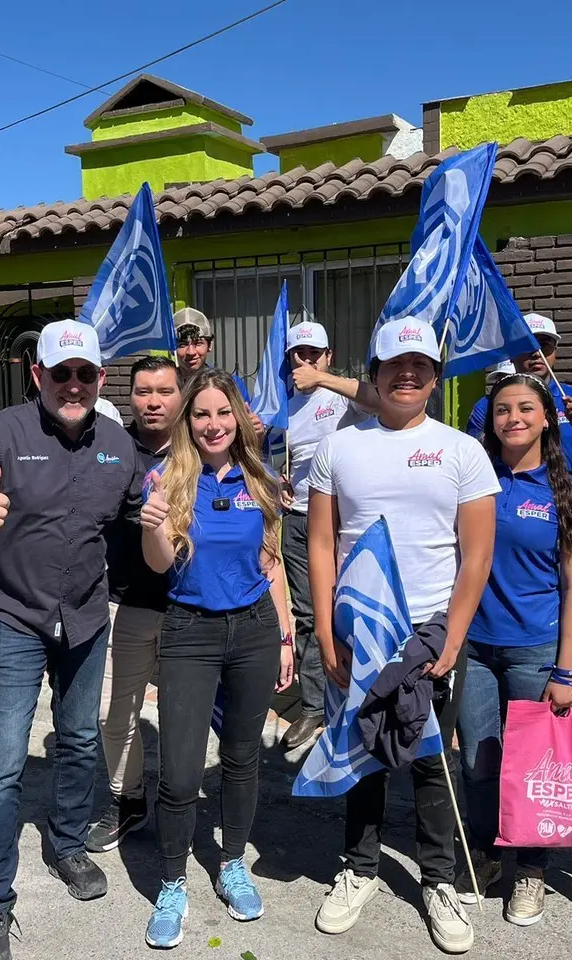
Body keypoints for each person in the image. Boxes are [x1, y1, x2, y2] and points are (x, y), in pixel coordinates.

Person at [0, 321, 143, 960]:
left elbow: (136, 519)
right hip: (14, 618)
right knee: (1, 761)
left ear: (101, 379)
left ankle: (69, 843)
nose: (72, 385)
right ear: (37, 375)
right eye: (60, 373)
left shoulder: (118, 444)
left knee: (79, 741)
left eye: (84, 374)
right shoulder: (2, 431)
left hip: (84, 619)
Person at [307, 319, 499, 955]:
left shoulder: (462, 451)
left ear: (436, 377)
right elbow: (320, 545)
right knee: (362, 751)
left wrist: (454, 638)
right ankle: (358, 868)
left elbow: (475, 558)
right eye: (396, 364)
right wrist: (329, 636)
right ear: (375, 371)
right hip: (359, 627)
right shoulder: (339, 447)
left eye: (421, 365)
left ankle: (438, 879)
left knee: (428, 758)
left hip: (430, 630)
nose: (408, 374)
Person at [138, 368, 295, 949]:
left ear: (238, 418)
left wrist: (284, 632)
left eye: (223, 413)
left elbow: (270, 560)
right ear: (189, 422)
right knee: (179, 771)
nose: (213, 424)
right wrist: (154, 524)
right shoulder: (167, 479)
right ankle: (172, 881)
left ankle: (232, 863)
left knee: (241, 757)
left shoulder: (260, 478)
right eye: (201, 414)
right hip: (189, 633)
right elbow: (158, 565)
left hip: (254, 630)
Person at [456, 372, 572, 927]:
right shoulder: (472, 480)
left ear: (546, 417)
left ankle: (530, 869)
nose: (513, 418)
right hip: (475, 648)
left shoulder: (567, 489)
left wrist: (567, 669)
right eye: (502, 408)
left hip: (536, 650)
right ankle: (484, 855)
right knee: (478, 761)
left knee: (534, 767)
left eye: (526, 408)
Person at [87, 356, 182, 853]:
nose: (153, 401)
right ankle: (128, 800)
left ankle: (181, 802)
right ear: (130, 396)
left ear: (179, 394)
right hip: (123, 603)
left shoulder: (201, 446)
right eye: (143, 391)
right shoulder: (109, 448)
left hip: (189, 607)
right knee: (114, 714)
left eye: (164, 391)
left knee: (185, 714)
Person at [278, 318, 376, 749]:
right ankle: (314, 704)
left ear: (328, 356)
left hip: (343, 519)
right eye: (298, 354)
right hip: (298, 519)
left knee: (350, 608)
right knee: (307, 611)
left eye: (313, 353)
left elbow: (377, 400)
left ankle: (357, 695)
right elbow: (268, 457)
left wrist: (323, 379)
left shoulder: (340, 395)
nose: (304, 361)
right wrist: (271, 479)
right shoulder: (280, 402)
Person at [463, 313, 572, 477]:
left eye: (544, 345)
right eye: (526, 346)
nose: (536, 353)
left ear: (555, 352)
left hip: (567, 496)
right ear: (511, 355)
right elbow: (473, 462)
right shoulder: (486, 406)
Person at [173, 306, 264, 437]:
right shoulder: (166, 388)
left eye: (198, 343)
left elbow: (247, 435)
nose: (191, 352)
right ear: (172, 348)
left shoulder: (231, 384)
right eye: (182, 344)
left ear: (209, 345)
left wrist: (257, 432)